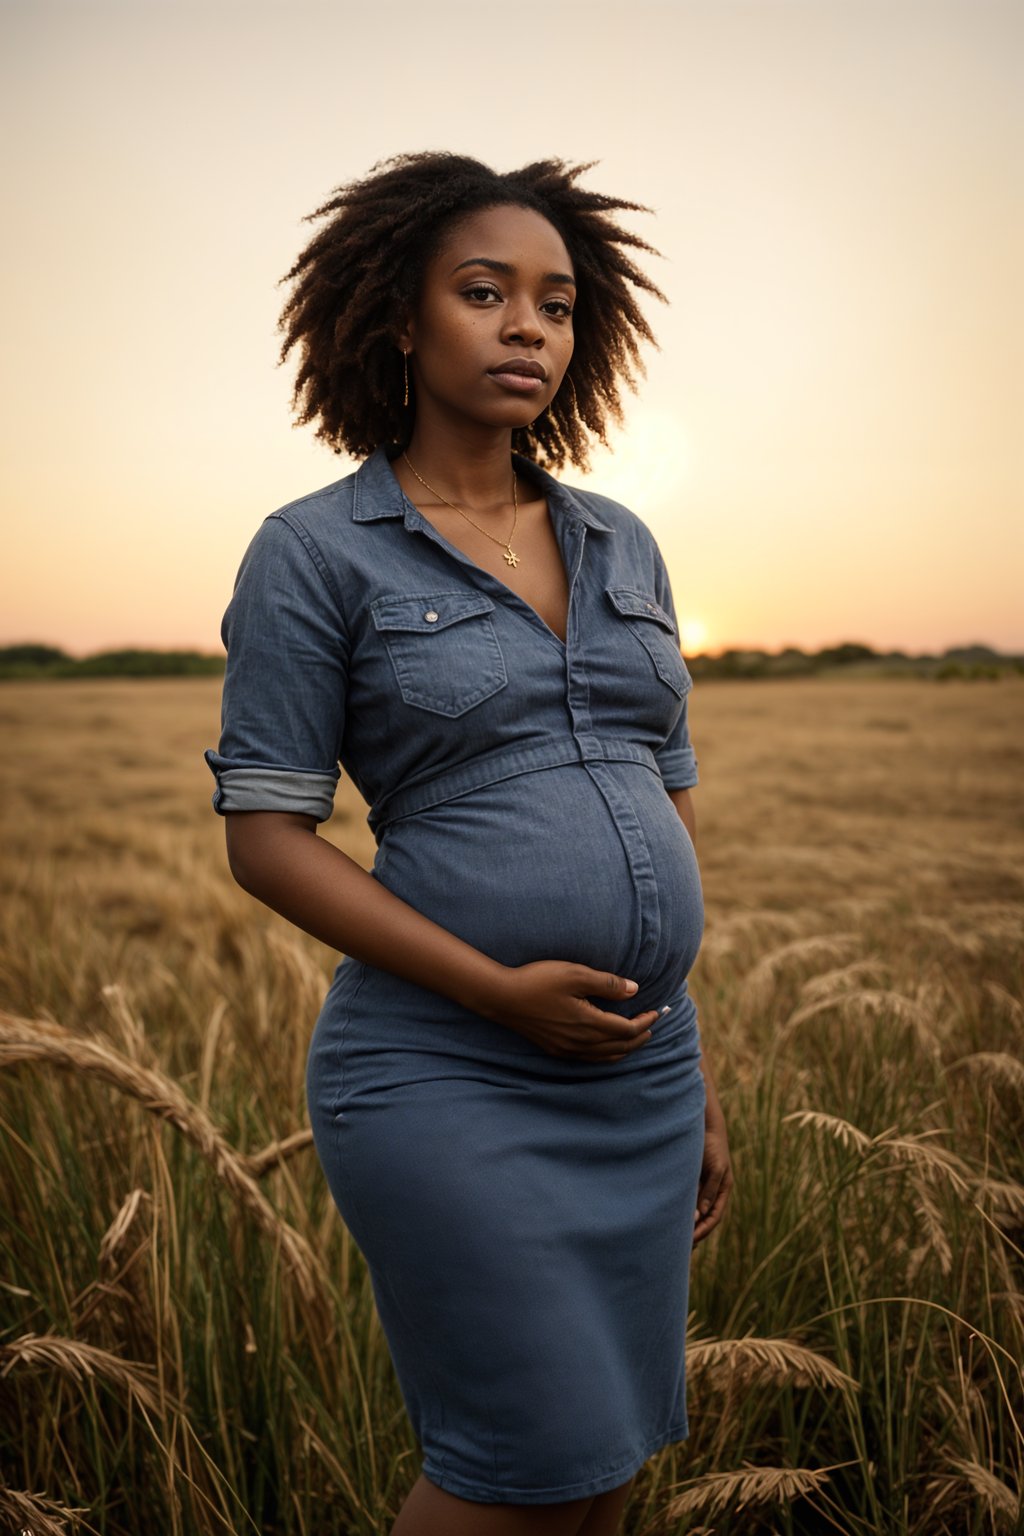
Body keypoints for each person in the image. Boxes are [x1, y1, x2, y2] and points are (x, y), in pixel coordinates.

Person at [205, 150, 733, 1536]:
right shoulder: (317, 553)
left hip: (640, 1072)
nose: (527, 329)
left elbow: (668, 790)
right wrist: (496, 990)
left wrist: (698, 1055)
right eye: (485, 293)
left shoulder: (622, 542)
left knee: (606, 1465)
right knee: (521, 1464)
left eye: (556, 305)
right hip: (448, 1072)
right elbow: (266, 837)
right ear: (398, 318)